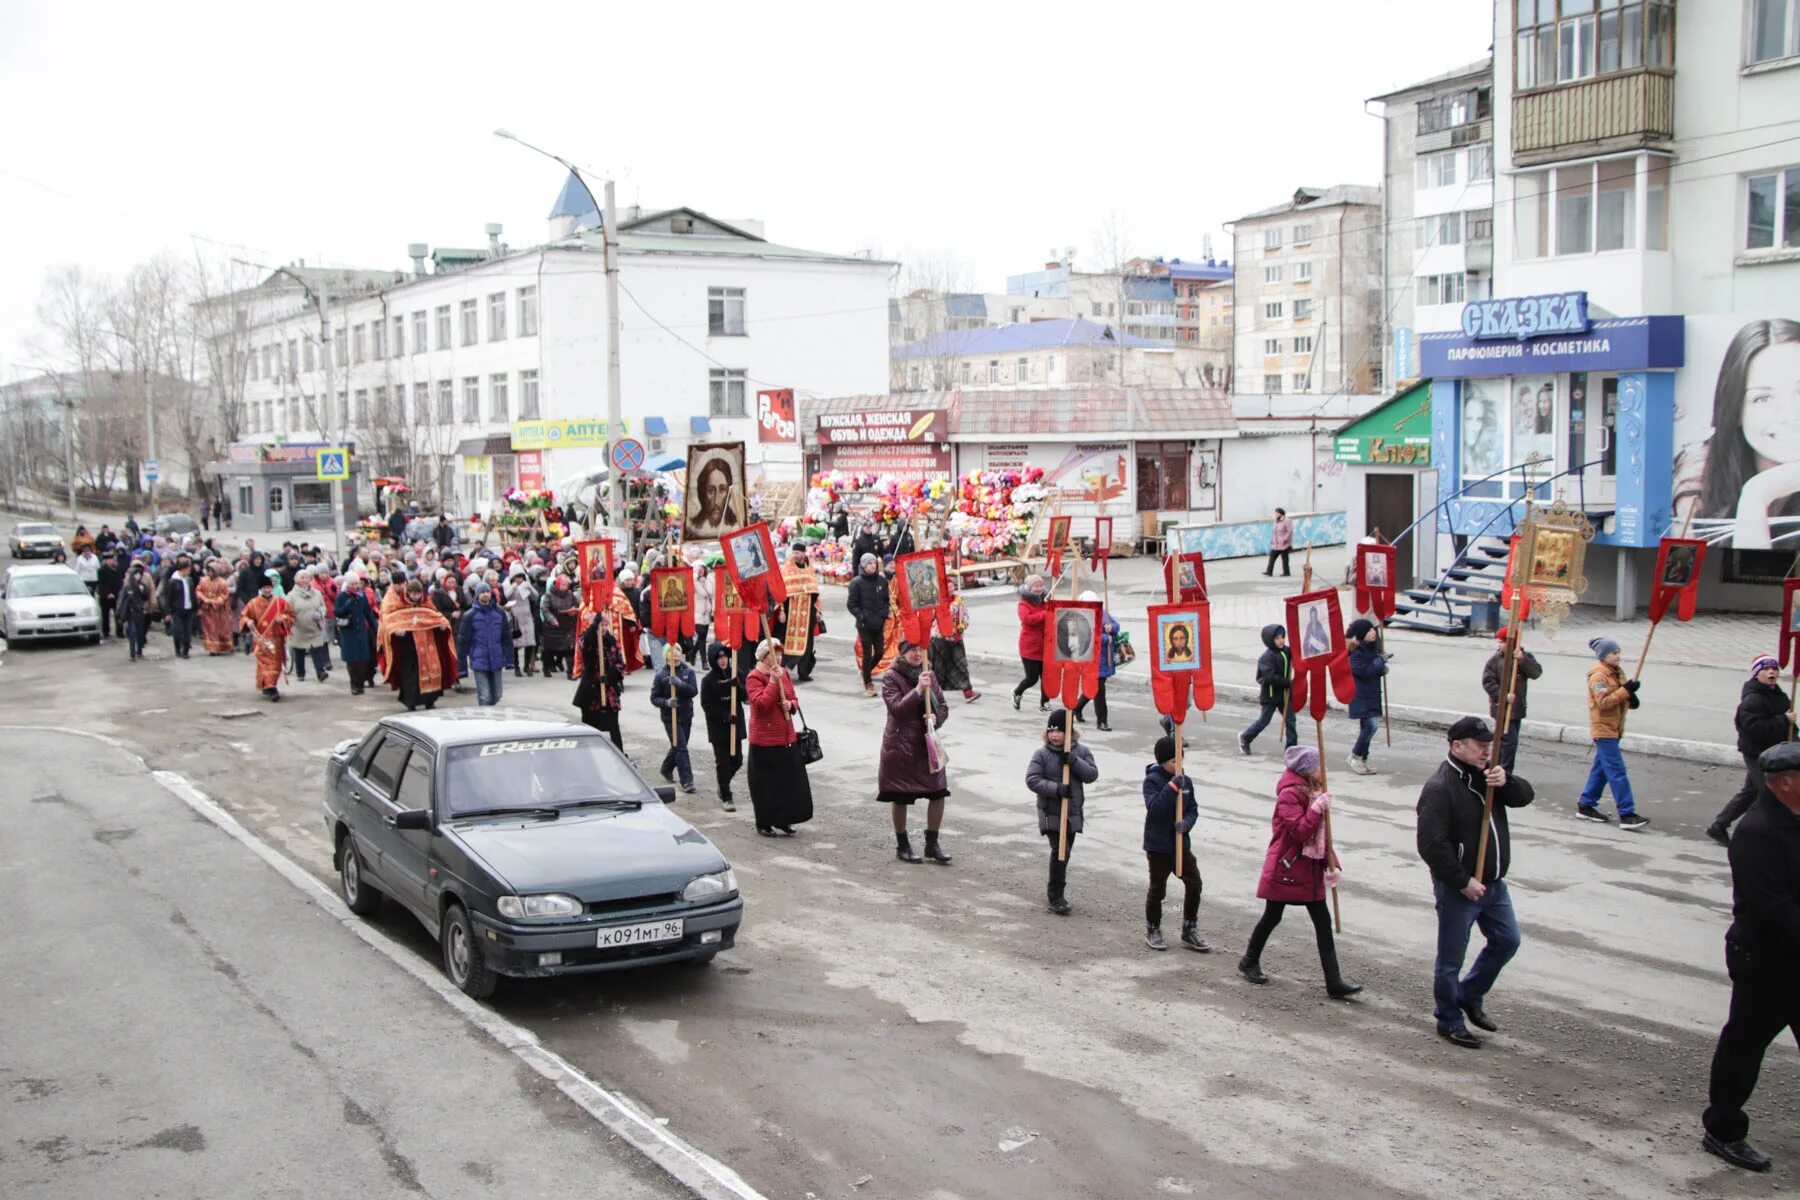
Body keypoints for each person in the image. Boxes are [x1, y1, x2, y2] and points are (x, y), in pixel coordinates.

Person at [1700, 740, 1800, 1173]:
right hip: (1766, 962)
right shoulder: (1758, 832)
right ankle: (1722, 1130)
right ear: (1785, 784)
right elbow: (1771, 910)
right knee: (1744, 1046)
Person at [1416, 717, 1536, 1049]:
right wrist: (1462, 880)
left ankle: (1469, 995)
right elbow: (1431, 845)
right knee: (1451, 958)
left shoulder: (1489, 776)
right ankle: (1449, 1019)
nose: (1486, 751)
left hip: (1494, 885)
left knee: (1507, 940)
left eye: (1488, 745)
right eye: (1479, 745)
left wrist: (1506, 781)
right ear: (1457, 746)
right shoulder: (1440, 787)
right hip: (1461, 888)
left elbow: (1525, 796)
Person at [1238, 745, 1362, 998]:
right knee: (1272, 916)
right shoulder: (1289, 795)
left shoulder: (1314, 791)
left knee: (1322, 923)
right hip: (1287, 866)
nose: (1323, 771)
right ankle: (1249, 960)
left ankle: (1333, 981)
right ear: (1307, 770)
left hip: (1309, 869)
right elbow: (1299, 832)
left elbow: (1324, 836)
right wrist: (1316, 810)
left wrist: (1332, 863)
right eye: (1320, 766)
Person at [1676, 318, 1800, 548]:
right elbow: (1739, 580)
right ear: (1736, 411)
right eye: (1763, 398)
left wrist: (1759, 491)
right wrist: (1757, 496)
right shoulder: (1700, 475)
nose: (1790, 414)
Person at [1707, 656, 1794, 846]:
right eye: (1766, 669)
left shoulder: (1779, 695)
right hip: (1757, 753)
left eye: (1775, 669)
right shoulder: (1752, 699)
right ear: (1757, 673)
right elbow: (1754, 728)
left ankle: (1719, 825)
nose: (1772, 672)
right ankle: (1769, 837)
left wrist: (1794, 740)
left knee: (1751, 792)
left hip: (1774, 752)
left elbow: (1788, 726)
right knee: (1770, 795)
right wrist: (1784, 721)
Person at [879, 639, 952, 864]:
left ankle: (932, 843)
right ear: (903, 653)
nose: (917, 655)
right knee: (900, 795)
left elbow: (943, 706)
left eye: (920, 650)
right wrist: (919, 689)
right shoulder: (891, 676)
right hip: (901, 746)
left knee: (938, 792)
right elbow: (898, 709)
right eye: (912, 651)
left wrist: (935, 717)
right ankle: (903, 844)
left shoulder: (929, 673)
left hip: (926, 745)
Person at [1026, 709, 1098, 915]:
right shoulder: (1042, 754)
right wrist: (1056, 789)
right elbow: (1032, 780)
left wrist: (1073, 761)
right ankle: (1056, 895)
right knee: (1060, 851)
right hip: (1051, 812)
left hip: (1072, 813)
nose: (1054, 735)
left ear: (1069, 732)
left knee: (1065, 853)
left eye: (1059, 731)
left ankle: (1057, 889)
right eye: (1051, 731)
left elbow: (1092, 774)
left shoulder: (1081, 752)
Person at [1143, 734, 1207, 952]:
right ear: (1162, 762)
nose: (1178, 765)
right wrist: (1171, 788)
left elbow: (1193, 809)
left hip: (1180, 845)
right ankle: (1153, 927)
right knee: (1157, 889)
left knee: (1194, 882)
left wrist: (1186, 823)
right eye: (1173, 762)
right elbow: (1155, 809)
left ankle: (1189, 928)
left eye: (1181, 760)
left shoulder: (1186, 781)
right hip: (1159, 846)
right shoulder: (1152, 781)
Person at [1578, 637, 1649, 829]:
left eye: (1618, 652)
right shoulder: (1598, 676)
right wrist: (1626, 691)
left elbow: (1620, 697)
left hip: (1615, 728)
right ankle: (1627, 813)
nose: (1618, 656)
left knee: (1601, 770)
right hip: (1604, 730)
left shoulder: (1616, 672)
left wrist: (1631, 698)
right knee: (1617, 771)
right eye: (1613, 653)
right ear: (1603, 655)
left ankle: (1586, 804)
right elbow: (1604, 702)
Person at [745, 640, 813, 836]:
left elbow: (793, 699)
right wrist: (774, 683)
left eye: (780, 654)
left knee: (787, 783)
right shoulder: (754, 677)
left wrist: (790, 705)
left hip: (785, 737)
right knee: (766, 785)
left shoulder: (783, 673)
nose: (779, 658)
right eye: (774, 655)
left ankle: (784, 819)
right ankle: (764, 821)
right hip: (764, 740)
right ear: (764, 658)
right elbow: (761, 705)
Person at [379, 579, 457, 711]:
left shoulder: (427, 604)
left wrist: (442, 627)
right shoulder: (399, 606)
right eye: (413, 594)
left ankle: (430, 700)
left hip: (428, 644)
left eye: (418, 594)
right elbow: (388, 622)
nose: (416, 597)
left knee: (433, 671)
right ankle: (411, 702)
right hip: (409, 648)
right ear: (407, 593)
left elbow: (437, 618)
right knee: (411, 676)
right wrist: (396, 632)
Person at [1481, 629, 1543, 776]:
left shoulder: (1523, 657)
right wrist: (1503, 696)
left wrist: (1522, 660)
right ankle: (1504, 769)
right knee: (1508, 741)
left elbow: (1536, 673)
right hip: (1501, 707)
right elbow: (1488, 682)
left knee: (1506, 741)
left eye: (1502, 641)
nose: (1499, 645)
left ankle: (1498, 767)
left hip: (1517, 708)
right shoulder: (1496, 660)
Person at [699, 640, 746, 812]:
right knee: (723, 763)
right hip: (719, 728)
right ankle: (726, 795)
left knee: (738, 760)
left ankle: (722, 783)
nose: (723, 660)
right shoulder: (708, 680)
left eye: (725, 656)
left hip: (736, 726)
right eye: (719, 658)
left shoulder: (736, 673)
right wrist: (725, 716)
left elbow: (745, 696)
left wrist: (738, 686)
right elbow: (707, 705)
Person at [1239, 624, 1298, 755]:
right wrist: (1288, 683)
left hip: (1284, 695)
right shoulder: (1266, 657)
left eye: (1282, 637)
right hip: (1270, 696)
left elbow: (1297, 655)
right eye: (1277, 638)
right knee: (1264, 721)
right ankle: (1245, 737)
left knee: (1291, 720)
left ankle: (1291, 750)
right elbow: (1270, 678)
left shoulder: (1286, 651)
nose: (1281, 640)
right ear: (1270, 640)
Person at [573, 612, 627, 749]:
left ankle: (619, 754)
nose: (603, 628)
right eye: (600, 625)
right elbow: (585, 645)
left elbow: (620, 663)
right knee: (591, 726)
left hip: (609, 691)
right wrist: (593, 627)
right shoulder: (586, 638)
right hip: (591, 690)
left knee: (613, 725)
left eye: (605, 625)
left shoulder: (612, 640)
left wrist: (610, 675)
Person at [239, 570, 294, 702]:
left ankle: (269, 685)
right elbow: (243, 616)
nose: (267, 590)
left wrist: (284, 619)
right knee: (264, 664)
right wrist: (248, 621)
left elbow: (291, 615)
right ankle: (271, 688)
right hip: (261, 639)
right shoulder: (253, 603)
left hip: (277, 639)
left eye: (269, 587)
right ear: (260, 589)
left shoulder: (280, 602)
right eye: (264, 588)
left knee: (275, 664)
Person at [651, 644, 699, 792]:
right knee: (681, 748)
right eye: (671, 651)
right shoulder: (660, 675)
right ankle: (687, 781)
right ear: (666, 655)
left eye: (678, 649)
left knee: (678, 746)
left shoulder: (688, 672)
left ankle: (666, 768)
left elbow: (693, 691)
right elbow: (654, 698)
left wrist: (680, 684)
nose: (675, 653)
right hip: (670, 717)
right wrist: (666, 702)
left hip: (686, 715)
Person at [458, 581, 514, 706]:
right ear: (477, 595)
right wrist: (462, 667)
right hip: (479, 659)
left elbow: (506, 637)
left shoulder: (499, 613)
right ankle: (485, 721)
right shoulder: (470, 615)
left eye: (487, 592)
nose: (485, 595)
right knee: (484, 696)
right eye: (482, 592)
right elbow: (462, 642)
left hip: (496, 658)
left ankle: (491, 716)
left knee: (497, 694)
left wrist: (510, 660)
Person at [928, 577, 980, 704]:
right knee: (938, 667)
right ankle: (934, 694)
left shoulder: (958, 600)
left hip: (956, 637)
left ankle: (968, 692)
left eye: (952, 586)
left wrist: (964, 626)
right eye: (948, 587)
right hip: (939, 638)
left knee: (961, 664)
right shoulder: (936, 601)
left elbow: (964, 615)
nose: (951, 589)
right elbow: (930, 617)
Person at [1345, 618, 1387, 775]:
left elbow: (1373, 670)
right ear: (1362, 634)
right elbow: (1365, 672)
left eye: (1373, 630)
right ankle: (1355, 755)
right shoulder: (1356, 653)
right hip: (1360, 696)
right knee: (1371, 726)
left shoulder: (1372, 649)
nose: (1373, 632)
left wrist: (1382, 667)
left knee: (1367, 727)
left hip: (1372, 694)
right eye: (1369, 631)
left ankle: (1363, 758)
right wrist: (1380, 661)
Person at [1072, 592, 1118, 730]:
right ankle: (1102, 721)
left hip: (1104, 658)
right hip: (1090, 658)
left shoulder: (1104, 613)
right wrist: (1106, 638)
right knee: (1099, 690)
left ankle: (1077, 708)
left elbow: (1116, 625)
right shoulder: (1081, 617)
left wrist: (1112, 628)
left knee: (1095, 687)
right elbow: (1086, 636)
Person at [846, 553, 891, 698]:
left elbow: (886, 601)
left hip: (878, 622)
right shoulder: (856, 583)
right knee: (867, 653)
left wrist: (884, 614)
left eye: (874, 563)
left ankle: (865, 671)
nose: (873, 566)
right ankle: (868, 682)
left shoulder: (882, 582)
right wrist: (861, 616)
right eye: (870, 564)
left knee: (879, 652)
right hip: (864, 624)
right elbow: (851, 604)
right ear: (864, 566)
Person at [776, 548, 823, 682]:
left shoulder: (809, 569)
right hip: (791, 612)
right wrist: (781, 611)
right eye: (794, 552)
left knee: (808, 643)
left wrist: (818, 610)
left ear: (803, 553)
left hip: (808, 611)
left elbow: (815, 592)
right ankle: (785, 669)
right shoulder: (787, 569)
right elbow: (780, 592)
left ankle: (804, 672)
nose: (795, 555)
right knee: (787, 641)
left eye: (798, 552)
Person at [334, 574, 380, 695]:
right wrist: (348, 604)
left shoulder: (361, 596)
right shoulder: (342, 596)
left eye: (356, 584)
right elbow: (338, 612)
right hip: (348, 632)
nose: (354, 586)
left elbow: (368, 612)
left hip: (361, 631)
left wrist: (376, 628)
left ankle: (361, 683)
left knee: (363, 659)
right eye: (352, 584)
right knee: (352, 660)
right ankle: (354, 684)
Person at [1012, 574, 1050, 712]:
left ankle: (1044, 704)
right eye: (1036, 586)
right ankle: (1017, 692)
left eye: (1041, 585)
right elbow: (1027, 619)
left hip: (1046, 645)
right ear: (1029, 588)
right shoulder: (1023, 604)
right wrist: (1046, 614)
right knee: (1032, 678)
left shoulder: (1045, 601)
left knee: (1047, 679)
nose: (1039, 588)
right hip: (1030, 647)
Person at [286, 570, 332, 682]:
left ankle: (320, 672)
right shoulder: (291, 596)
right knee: (299, 651)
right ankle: (300, 673)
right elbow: (287, 611)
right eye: (302, 577)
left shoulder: (317, 593)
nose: (305, 580)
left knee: (316, 649)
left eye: (307, 577)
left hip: (314, 627)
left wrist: (320, 612)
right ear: (297, 580)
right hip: (299, 628)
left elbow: (323, 606)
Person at [158, 557, 199, 659]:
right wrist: (167, 612)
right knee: (178, 630)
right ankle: (177, 649)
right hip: (177, 610)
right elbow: (167, 598)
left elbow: (192, 595)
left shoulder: (189, 580)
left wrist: (196, 608)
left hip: (188, 609)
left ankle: (185, 651)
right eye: (188, 569)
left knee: (187, 631)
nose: (189, 571)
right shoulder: (172, 581)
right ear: (182, 569)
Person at [540, 574, 580, 679]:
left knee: (570, 648)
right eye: (562, 585)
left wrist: (574, 610)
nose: (565, 587)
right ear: (558, 584)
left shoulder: (570, 594)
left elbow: (577, 605)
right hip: (554, 624)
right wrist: (551, 619)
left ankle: (570, 671)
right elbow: (544, 609)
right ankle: (546, 667)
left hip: (568, 622)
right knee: (549, 648)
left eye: (566, 585)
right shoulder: (549, 594)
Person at [692, 456, 742, 534]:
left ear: (729, 493)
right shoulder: (694, 527)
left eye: (722, 490)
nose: (716, 501)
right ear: (703, 493)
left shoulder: (735, 524)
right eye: (711, 491)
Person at [196, 560, 235, 655]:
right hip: (207, 609)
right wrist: (204, 599)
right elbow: (198, 590)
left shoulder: (222, 583)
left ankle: (223, 646)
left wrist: (214, 602)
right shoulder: (203, 580)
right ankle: (212, 648)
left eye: (212, 571)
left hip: (218, 610)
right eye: (208, 570)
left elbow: (224, 596)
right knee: (209, 628)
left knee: (220, 629)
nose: (210, 573)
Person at [118, 561, 154, 661]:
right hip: (130, 612)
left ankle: (139, 651)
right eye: (136, 574)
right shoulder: (127, 586)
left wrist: (143, 590)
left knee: (140, 633)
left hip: (140, 612)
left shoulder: (142, 585)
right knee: (132, 633)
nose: (138, 576)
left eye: (139, 574)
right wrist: (119, 613)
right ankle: (132, 653)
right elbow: (122, 599)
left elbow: (146, 595)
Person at [96, 550, 124, 639]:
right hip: (106, 596)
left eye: (112, 559)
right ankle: (106, 631)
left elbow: (120, 581)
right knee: (105, 615)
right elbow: (101, 584)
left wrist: (120, 592)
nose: (111, 561)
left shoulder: (118, 568)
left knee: (118, 614)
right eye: (109, 559)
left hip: (117, 594)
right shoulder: (101, 570)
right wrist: (107, 593)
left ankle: (119, 631)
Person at [1264, 508, 1294, 577]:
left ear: (1281, 513)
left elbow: (1289, 531)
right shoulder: (1275, 521)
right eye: (1275, 513)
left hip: (1284, 544)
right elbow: (1274, 532)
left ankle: (1286, 572)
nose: (1276, 514)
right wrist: (1272, 540)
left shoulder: (1287, 521)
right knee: (1272, 557)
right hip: (1276, 544)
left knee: (1284, 559)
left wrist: (1285, 539)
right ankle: (1269, 572)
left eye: (1277, 513)